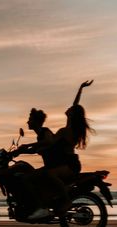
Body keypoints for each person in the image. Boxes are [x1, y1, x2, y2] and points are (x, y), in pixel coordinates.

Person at [26, 80, 95, 219]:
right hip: (65, 163)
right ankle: (45, 202)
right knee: (36, 176)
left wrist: (30, 147)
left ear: (72, 115)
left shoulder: (68, 131)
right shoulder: (69, 127)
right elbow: (75, 105)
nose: (68, 108)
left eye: (70, 110)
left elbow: (49, 144)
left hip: (70, 165)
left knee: (48, 174)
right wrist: (81, 88)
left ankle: (65, 201)